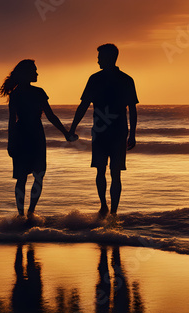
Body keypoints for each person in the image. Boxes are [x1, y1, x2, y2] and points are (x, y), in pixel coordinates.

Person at [0, 59, 75, 217]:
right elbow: (12, 120)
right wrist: (10, 143)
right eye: (34, 71)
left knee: (32, 176)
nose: (37, 73)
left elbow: (50, 116)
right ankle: (25, 214)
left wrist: (66, 132)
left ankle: (28, 213)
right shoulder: (19, 94)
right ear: (26, 74)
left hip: (29, 135)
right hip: (31, 135)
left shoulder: (33, 93)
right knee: (30, 177)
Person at [68, 43, 138, 217]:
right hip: (117, 131)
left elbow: (83, 105)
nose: (97, 59)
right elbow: (133, 110)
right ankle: (110, 210)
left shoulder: (97, 79)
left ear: (108, 58)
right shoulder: (125, 79)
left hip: (104, 132)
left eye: (100, 57)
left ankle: (106, 208)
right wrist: (132, 134)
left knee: (103, 170)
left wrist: (73, 128)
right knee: (114, 172)